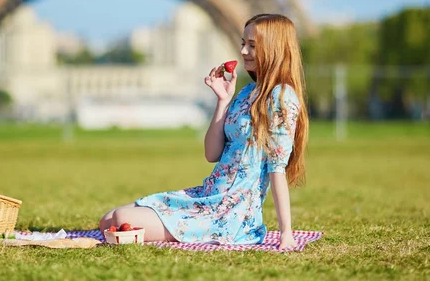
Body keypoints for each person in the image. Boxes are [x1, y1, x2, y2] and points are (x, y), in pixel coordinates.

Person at [99, 13, 309, 249]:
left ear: (275, 49)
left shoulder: (281, 97)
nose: (242, 52)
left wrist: (286, 234)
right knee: (107, 219)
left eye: (252, 46)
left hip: (228, 212)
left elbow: (277, 169)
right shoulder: (245, 93)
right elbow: (212, 154)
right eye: (243, 44)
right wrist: (222, 101)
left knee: (121, 220)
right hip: (208, 196)